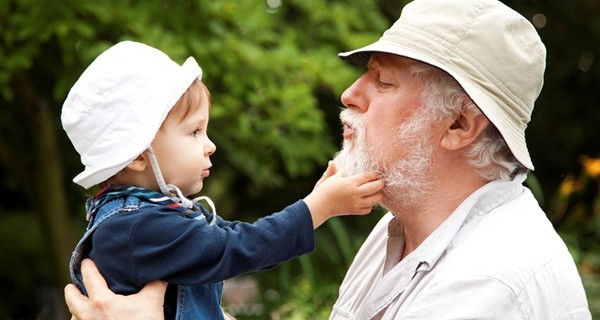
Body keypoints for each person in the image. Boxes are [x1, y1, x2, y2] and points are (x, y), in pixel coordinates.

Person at [64, 0, 593, 319]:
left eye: (382, 80)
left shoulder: (489, 283)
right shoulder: (398, 234)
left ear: (459, 125)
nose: (349, 93)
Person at [61, 40, 384, 320]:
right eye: (194, 132)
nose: (210, 145)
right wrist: (318, 207)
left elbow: (238, 241)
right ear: (138, 155)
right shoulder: (137, 228)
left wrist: (315, 201)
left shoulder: (153, 216)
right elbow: (237, 247)